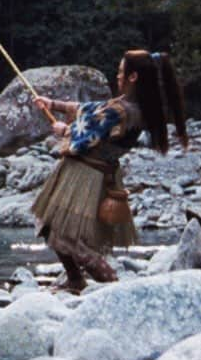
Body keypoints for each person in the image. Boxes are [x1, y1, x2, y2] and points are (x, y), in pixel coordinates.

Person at [31, 50, 189, 293]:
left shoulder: (121, 110)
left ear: (133, 77)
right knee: (56, 227)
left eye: (121, 72)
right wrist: (52, 105)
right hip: (101, 173)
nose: (118, 76)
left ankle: (110, 284)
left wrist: (64, 131)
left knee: (62, 233)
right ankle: (76, 280)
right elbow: (90, 110)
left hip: (86, 174)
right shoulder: (134, 108)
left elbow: (87, 134)